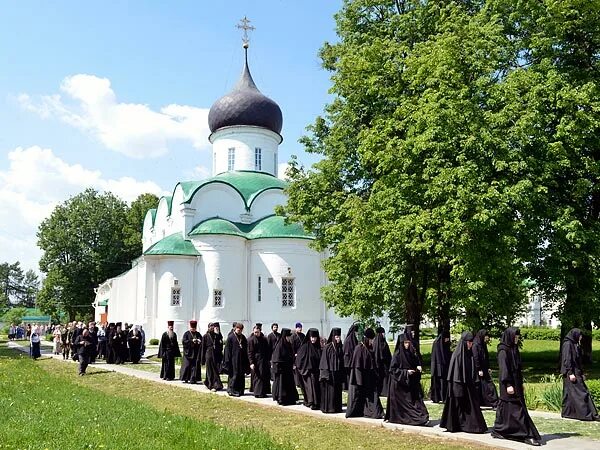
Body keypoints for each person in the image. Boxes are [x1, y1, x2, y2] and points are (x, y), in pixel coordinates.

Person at [492, 327, 541, 446]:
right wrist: (508, 384)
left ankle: (500, 430)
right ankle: (525, 434)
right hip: (508, 384)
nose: (517, 339)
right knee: (516, 409)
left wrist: (520, 383)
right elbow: (504, 369)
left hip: (516, 383)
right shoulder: (503, 350)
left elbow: (517, 367)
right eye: (515, 337)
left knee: (507, 409)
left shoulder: (514, 348)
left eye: (518, 337)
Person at [440, 331, 487, 434]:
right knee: (457, 406)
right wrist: (458, 386)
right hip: (459, 385)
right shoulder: (457, 356)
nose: (470, 345)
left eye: (471, 342)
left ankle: (471, 426)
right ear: (464, 342)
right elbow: (455, 374)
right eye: (469, 342)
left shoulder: (468, 354)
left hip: (468, 384)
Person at [385, 333, 429, 425]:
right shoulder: (397, 355)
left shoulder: (411, 353)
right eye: (405, 343)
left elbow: (415, 363)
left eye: (408, 342)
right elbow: (393, 370)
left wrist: (418, 367)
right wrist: (406, 372)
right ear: (401, 343)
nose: (407, 345)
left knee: (416, 400)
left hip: (409, 382)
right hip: (399, 385)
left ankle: (422, 417)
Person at [560, 328, 599, 421]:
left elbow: (577, 361)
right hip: (571, 373)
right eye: (580, 335)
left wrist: (581, 373)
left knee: (569, 394)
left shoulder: (574, 344)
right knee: (582, 393)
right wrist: (570, 373)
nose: (581, 338)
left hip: (575, 372)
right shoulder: (568, 344)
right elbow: (567, 359)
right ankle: (587, 414)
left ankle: (568, 413)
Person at [346, 328, 384, 419]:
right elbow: (357, 365)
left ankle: (375, 412)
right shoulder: (359, 348)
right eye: (371, 340)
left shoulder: (369, 348)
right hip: (361, 377)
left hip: (369, 377)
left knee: (372, 395)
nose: (372, 342)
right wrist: (359, 379)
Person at [319, 327, 344, 413]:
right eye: (336, 337)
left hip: (338, 374)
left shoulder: (341, 346)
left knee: (337, 391)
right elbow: (324, 361)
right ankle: (329, 408)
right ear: (333, 337)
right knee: (330, 392)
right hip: (329, 374)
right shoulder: (328, 347)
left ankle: (337, 408)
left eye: (339, 337)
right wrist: (326, 374)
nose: (338, 339)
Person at [271, 328, 299, 405]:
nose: (290, 338)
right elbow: (276, 358)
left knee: (289, 384)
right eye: (288, 336)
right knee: (282, 386)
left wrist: (293, 363)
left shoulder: (289, 344)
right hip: (281, 370)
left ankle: (290, 399)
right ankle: (282, 399)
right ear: (285, 336)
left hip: (288, 369)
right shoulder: (280, 345)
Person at [295, 328, 322, 409]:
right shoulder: (305, 347)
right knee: (310, 388)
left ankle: (317, 402)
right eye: (312, 337)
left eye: (315, 338)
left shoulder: (318, 347)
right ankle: (311, 402)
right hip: (307, 372)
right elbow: (299, 360)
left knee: (316, 388)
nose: (313, 339)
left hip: (316, 372)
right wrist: (305, 368)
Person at [223, 322, 250, 397]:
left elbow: (245, 349)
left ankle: (240, 390)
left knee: (241, 375)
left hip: (241, 360)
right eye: (238, 329)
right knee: (234, 375)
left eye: (240, 329)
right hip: (233, 360)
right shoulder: (231, 337)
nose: (239, 330)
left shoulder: (243, 337)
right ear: (235, 328)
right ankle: (232, 390)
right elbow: (227, 350)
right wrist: (227, 361)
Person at [473, 329, 498, 408]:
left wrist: (488, 367)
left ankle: (492, 402)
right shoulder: (475, 345)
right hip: (479, 369)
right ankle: (494, 402)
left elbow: (486, 357)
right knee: (486, 386)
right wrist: (479, 369)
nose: (487, 338)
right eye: (486, 336)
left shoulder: (483, 344)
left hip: (484, 369)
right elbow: (476, 358)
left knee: (488, 386)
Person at [247, 323, 271, 398]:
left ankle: (263, 392)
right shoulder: (251, 340)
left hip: (263, 360)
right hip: (256, 360)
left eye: (257, 332)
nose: (256, 333)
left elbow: (267, 350)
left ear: (260, 331)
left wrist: (268, 360)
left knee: (264, 376)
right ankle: (257, 392)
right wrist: (251, 363)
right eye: (255, 332)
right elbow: (250, 352)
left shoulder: (264, 339)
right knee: (257, 376)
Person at [430, 331, 451, 403]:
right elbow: (436, 357)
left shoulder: (444, 344)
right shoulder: (437, 344)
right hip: (437, 366)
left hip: (443, 366)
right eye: (446, 338)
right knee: (438, 383)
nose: (447, 340)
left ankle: (444, 397)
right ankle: (437, 397)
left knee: (444, 383)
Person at [202, 322, 224, 391]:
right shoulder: (205, 336)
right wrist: (202, 359)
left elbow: (220, 344)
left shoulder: (216, 335)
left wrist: (218, 334)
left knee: (215, 370)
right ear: (208, 327)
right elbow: (203, 348)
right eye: (211, 326)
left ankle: (212, 383)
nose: (212, 328)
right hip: (209, 355)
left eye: (213, 327)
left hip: (216, 355)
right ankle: (212, 385)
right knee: (210, 371)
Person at [373, 326, 392, 397]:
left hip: (384, 364)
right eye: (383, 333)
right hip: (381, 364)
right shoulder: (377, 342)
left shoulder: (383, 342)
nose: (384, 334)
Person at [343, 322, 359, 390]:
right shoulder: (349, 340)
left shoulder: (352, 339)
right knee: (348, 374)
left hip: (350, 360)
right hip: (348, 360)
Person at [291, 322, 306, 390]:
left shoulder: (303, 335)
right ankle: (297, 383)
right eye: (299, 328)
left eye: (301, 328)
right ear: (296, 328)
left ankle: (301, 382)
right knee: (296, 370)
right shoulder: (293, 336)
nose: (300, 329)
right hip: (295, 355)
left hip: (302, 355)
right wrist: (294, 354)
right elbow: (292, 346)